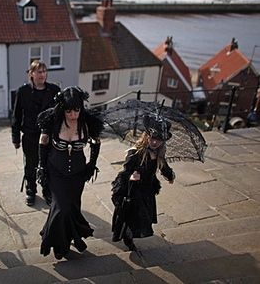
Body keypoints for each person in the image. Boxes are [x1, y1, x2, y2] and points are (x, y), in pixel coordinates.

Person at [37, 86, 103, 259]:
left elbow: (96, 142)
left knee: (72, 206)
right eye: (69, 111)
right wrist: (41, 167)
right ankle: (58, 244)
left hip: (77, 173)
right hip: (55, 171)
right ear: (62, 109)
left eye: (76, 110)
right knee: (61, 208)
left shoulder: (87, 122)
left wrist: (92, 164)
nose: (73, 115)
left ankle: (64, 240)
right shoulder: (52, 120)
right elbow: (43, 143)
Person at [111, 115, 175, 251]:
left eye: (159, 139)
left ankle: (133, 231)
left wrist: (170, 176)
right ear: (146, 136)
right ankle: (127, 234)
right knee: (133, 214)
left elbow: (163, 167)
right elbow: (126, 169)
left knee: (144, 215)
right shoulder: (136, 152)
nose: (155, 142)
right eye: (152, 138)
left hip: (147, 189)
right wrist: (132, 175)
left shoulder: (159, 154)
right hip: (133, 189)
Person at [11, 60, 60, 206]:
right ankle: (31, 190)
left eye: (44, 71)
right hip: (30, 135)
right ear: (31, 73)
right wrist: (15, 138)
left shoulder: (54, 90)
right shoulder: (23, 91)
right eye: (39, 72)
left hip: (48, 135)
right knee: (30, 165)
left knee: (48, 164)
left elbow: (60, 113)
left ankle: (47, 191)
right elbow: (16, 115)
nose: (42, 75)